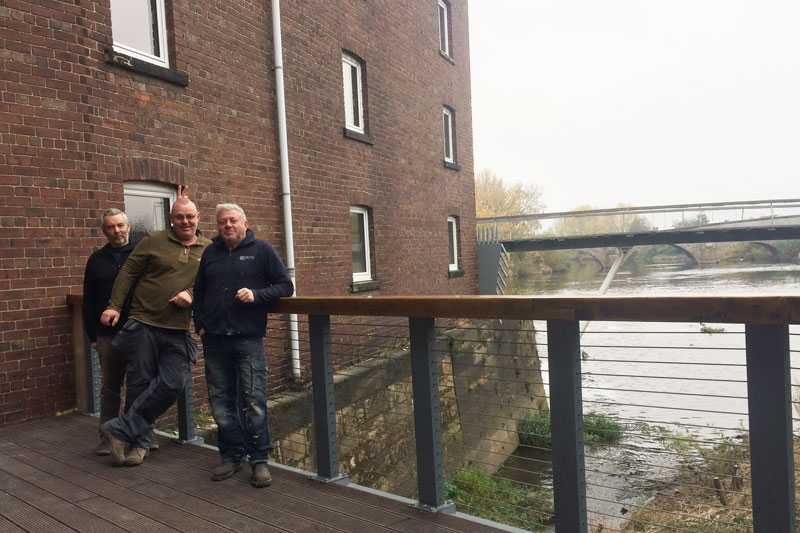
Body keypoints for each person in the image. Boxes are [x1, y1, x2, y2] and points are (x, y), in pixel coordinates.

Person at [100, 197, 211, 467]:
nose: (185, 221)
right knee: (139, 383)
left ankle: (120, 428)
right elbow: (128, 272)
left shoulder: (209, 248)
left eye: (190, 216)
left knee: (174, 382)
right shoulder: (153, 241)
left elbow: (214, 283)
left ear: (198, 217)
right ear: (171, 219)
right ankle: (138, 443)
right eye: (179, 216)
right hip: (144, 323)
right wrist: (114, 306)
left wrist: (192, 293)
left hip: (178, 329)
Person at [193, 203, 293, 487]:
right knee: (220, 401)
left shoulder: (262, 250)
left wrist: (257, 295)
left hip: (247, 338)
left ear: (244, 223)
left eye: (233, 220)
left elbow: (286, 286)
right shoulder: (210, 253)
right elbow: (199, 292)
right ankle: (231, 455)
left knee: (253, 401)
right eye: (222, 221)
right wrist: (199, 323)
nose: (227, 225)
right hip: (214, 339)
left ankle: (259, 460)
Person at [82, 208, 138, 456]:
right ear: (104, 231)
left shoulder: (142, 255)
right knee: (110, 389)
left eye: (120, 225)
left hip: (138, 332)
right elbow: (89, 299)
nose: (117, 231)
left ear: (129, 227)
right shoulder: (96, 260)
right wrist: (92, 335)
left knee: (140, 387)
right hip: (107, 335)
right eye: (111, 227)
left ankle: (140, 436)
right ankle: (107, 439)